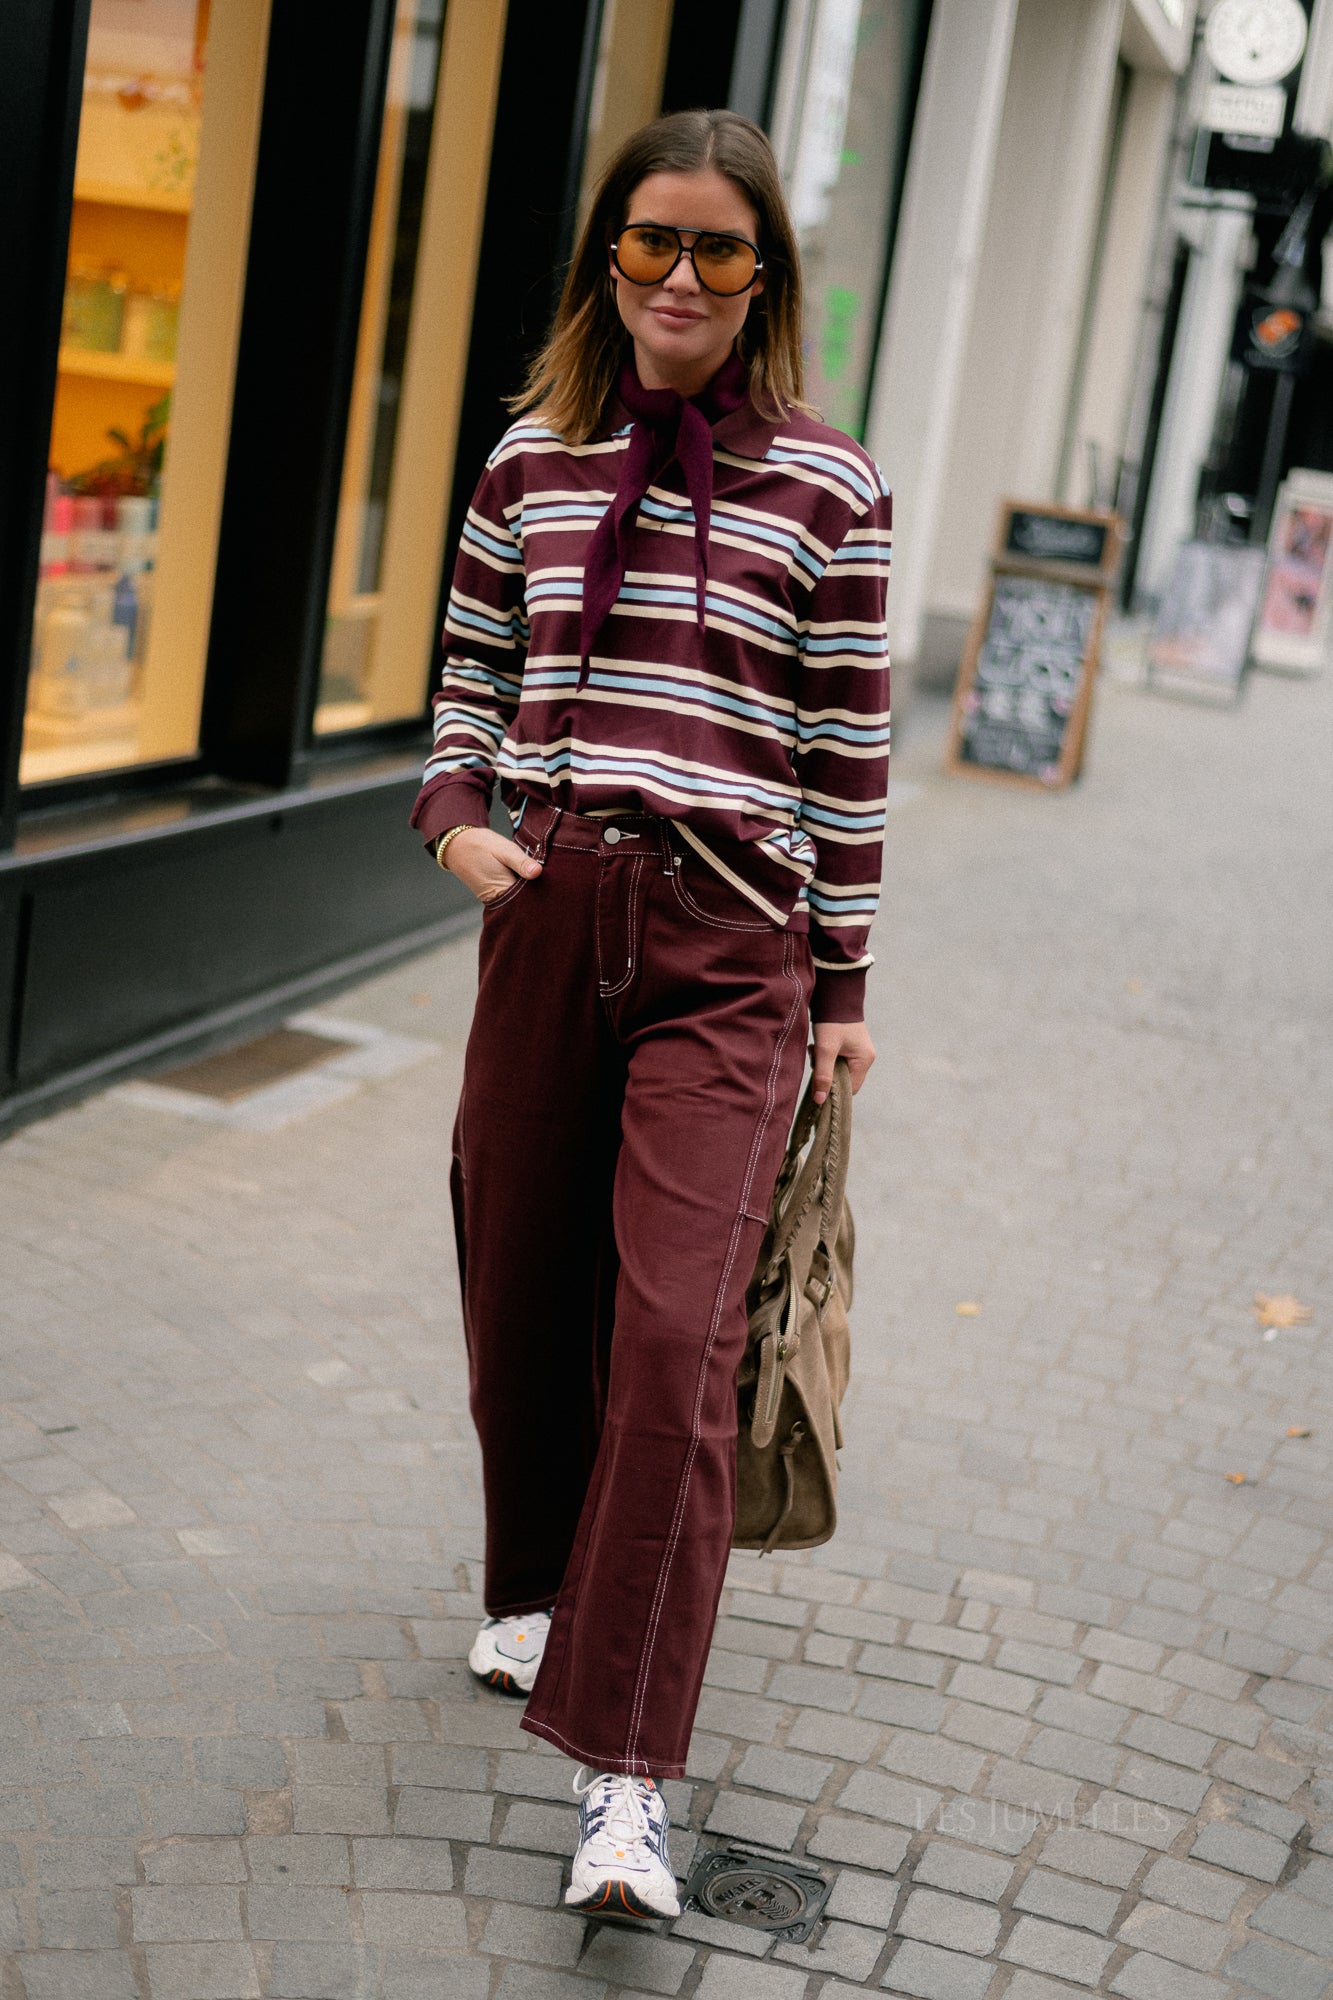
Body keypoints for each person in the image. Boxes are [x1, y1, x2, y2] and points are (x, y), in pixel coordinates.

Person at [409, 107, 891, 1920]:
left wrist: (842, 986)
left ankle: (626, 1782)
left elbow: (845, 759)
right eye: (648, 245)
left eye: (717, 252)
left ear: (763, 281)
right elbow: (468, 672)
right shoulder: (527, 462)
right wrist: (461, 822)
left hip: (730, 944)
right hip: (549, 907)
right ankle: (528, 1584)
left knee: (679, 1350)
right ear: (604, 259)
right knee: (517, 1280)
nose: (677, 279)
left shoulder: (831, 490)